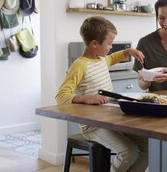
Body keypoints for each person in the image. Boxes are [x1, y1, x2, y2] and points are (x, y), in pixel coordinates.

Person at [55, 16, 148, 172]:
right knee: (128, 152)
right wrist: (86, 98)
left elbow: (112, 58)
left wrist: (127, 51)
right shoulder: (80, 65)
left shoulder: (101, 59)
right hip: (94, 126)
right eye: (109, 43)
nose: (111, 47)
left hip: (112, 119)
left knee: (147, 145)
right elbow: (61, 96)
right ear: (94, 44)